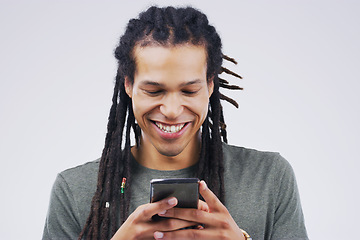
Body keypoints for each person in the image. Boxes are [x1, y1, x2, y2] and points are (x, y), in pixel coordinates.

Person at [42, 6, 308, 240]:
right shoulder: (74, 190)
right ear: (128, 85)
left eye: (189, 91)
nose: (171, 111)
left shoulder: (270, 178)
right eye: (154, 91)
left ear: (210, 85)